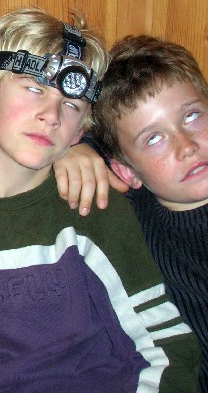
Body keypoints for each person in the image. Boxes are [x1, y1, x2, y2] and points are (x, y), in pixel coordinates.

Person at [0, 7, 200, 392]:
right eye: (34, 88)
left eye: (71, 104)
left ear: (79, 132)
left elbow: (164, 347)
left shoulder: (92, 206)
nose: (51, 114)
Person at [90, 34, 208, 392]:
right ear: (126, 172)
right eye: (153, 138)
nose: (186, 146)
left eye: (192, 116)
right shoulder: (132, 216)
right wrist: (76, 152)